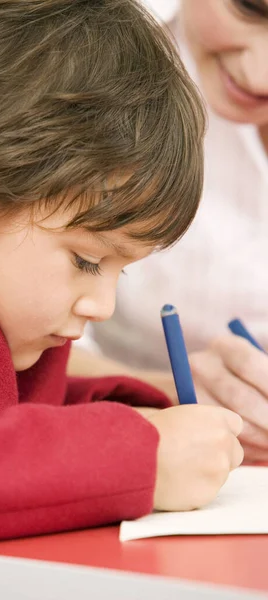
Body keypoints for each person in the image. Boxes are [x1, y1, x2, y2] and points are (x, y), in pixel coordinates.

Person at [0, 0, 243, 559]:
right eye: (87, 261)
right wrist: (140, 456)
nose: (103, 306)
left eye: (122, 272)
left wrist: (140, 415)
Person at [71, 0, 268, 463]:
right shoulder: (84, 60)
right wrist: (167, 398)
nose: (260, 75)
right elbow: (11, 354)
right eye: (250, 11)